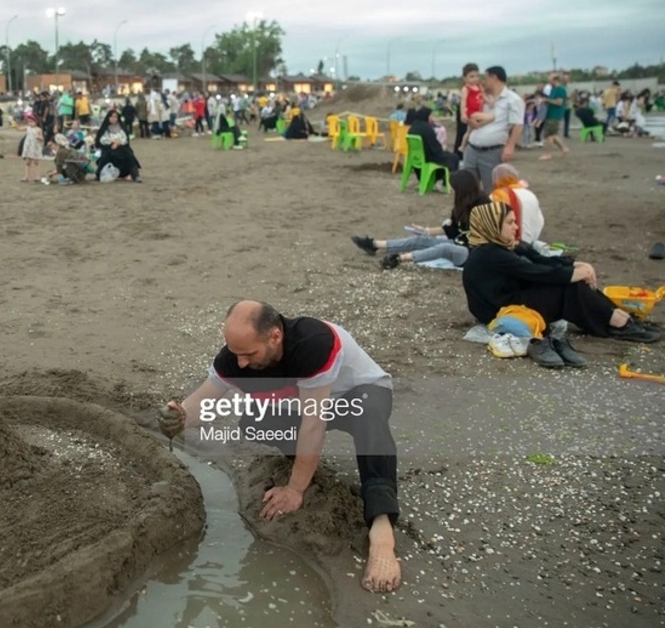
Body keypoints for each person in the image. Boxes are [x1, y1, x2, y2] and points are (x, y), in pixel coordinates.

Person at [157, 301, 402, 593]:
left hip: (358, 395)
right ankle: (305, 465)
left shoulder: (313, 343)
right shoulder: (236, 357)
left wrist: (295, 489)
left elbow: (314, 424)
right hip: (308, 401)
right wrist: (178, 417)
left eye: (248, 354)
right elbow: (202, 402)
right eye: (236, 354)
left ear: (275, 337)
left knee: (370, 418)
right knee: (254, 422)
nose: (241, 364)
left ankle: (382, 530)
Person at [461, 202, 659, 347]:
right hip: (499, 309)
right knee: (567, 287)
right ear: (492, 225)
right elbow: (534, 272)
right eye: (510, 222)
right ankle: (615, 321)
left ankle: (615, 316)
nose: (516, 227)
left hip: (512, 298)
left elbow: (539, 259)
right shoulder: (489, 254)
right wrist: (573, 274)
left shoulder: (504, 246)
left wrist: (575, 265)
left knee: (570, 280)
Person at [350, 169, 490, 269]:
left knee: (445, 248)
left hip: (472, 253)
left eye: (453, 187)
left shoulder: (482, 203)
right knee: (420, 240)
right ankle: (374, 244)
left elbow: (489, 233)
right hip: (458, 243)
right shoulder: (461, 203)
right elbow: (452, 229)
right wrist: (426, 231)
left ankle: (399, 259)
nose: (451, 190)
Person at [463, 66, 524, 193]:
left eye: (484, 77)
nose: (482, 81)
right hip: (472, 148)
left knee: (491, 190)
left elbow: (518, 124)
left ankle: (489, 212)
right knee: (467, 188)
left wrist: (510, 147)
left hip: (492, 152)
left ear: (494, 78)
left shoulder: (513, 100)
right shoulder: (481, 98)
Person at [489, 163, 544, 245]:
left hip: (507, 245)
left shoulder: (493, 197)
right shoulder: (529, 194)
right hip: (530, 242)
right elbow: (540, 221)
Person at [93, 108, 142, 182]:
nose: (113, 119)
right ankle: (99, 174)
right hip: (108, 147)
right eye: (111, 117)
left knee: (129, 155)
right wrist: (112, 142)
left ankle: (136, 176)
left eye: (115, 117)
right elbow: (102, 139)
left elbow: (125, 139)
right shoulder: (104, 128)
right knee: (106, 155)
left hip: (122, 147)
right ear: (108, 117)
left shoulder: (122, 127)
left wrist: (118, 143)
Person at [538, 73, 570, 160]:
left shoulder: (560, 90)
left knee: (549, 135)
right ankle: (564, 148)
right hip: (550, 114)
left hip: (555, 114)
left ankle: (548, 154)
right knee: (553, 134)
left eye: (550, 80)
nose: (548, 82)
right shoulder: (553, 89)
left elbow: (559, 102)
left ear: (555, 80)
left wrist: (546, 100)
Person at [19, 116, 45, 182]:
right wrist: (14, 125)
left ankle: (37, 176)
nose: (30, 123)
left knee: (36, 162)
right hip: (28, 147)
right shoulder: (28, 128)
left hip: (35, 147)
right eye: (29, 122)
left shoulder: (39, 129)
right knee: (28, 162)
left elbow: (42, 138)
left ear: (36, 122)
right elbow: (19, 128)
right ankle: (26, 176)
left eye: (31, 122)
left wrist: (39, 138)